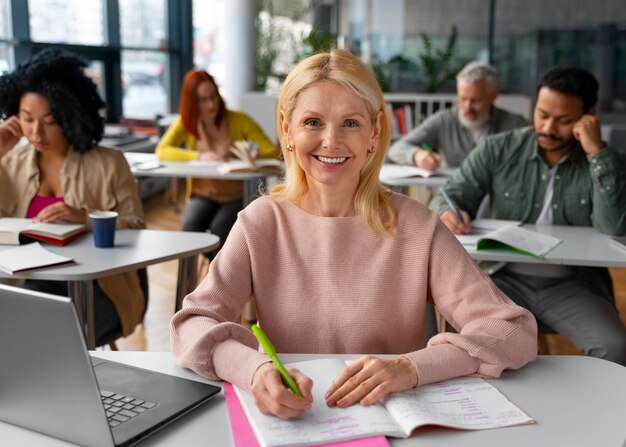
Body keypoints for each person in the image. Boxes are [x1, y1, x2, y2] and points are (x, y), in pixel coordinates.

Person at [170, 48, 537, 420]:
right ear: (287, 129)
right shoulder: (261, 223)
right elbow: (191, 324)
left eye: (350, 123)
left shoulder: (417, 225)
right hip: (297, 420)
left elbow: (512, 330)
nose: (331, 141)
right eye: (313, 122)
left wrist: (413, 367)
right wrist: (254, 369)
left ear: (374, 132)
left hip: (394, 421)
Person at [430, 66, 626, 365]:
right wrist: (447, 212)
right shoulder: (499, 148)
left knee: (614, 345)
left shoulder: (604, 162)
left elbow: (614, 225)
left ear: (589, 117)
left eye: (564, 120)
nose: (548, 128)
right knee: (470, 343)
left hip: (573, 285)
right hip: (501, 279)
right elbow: (448, 196)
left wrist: (597, 153)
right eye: (543, 114)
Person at [0, 49, 147, 346]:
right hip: (25, 280)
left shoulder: (109, 163)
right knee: (20, 320)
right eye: (27, 119)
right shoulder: (10, 162)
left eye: (50, 121)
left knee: (29, 334)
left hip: (99, 287)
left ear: (71, 114)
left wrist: (86, 218)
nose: (36, 131)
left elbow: (137, 226)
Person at [156, 70, 279, 258]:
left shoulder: (239, 119)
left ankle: (221, 280)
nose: (212, 104)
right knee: (190, 229)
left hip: (235, 195)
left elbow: (271, 149)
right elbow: (162, 150)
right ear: (192, 103)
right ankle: (208, 278)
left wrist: (256, 153)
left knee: (219, 230)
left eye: (214, 96)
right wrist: (199, 156)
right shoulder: (186, 122)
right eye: (203, 100)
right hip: (203, 193)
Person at [388, 61, 528, 171]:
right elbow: (396, 148)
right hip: (451, 201)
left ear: (493, 96)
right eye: (462, 99)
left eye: (476, 100)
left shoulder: (515, 124)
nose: (467, 107)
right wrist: (416, 155)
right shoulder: (444, 120)